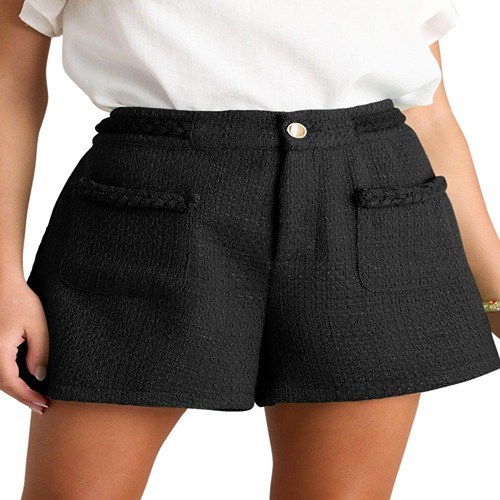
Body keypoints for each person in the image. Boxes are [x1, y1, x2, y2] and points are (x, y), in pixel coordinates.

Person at [1, 0, 499, 498]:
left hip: (370, 206)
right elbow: (8, 87)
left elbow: (429, 113)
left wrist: (495, 292)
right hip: (149, 215)